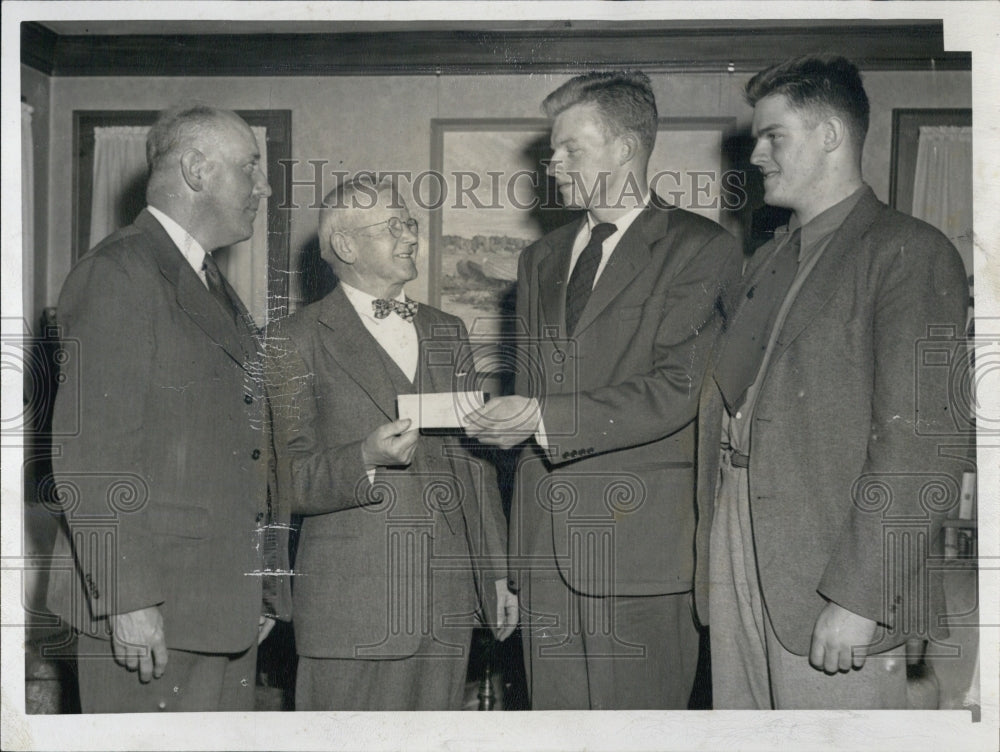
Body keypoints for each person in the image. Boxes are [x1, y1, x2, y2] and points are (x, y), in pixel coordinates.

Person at [696, 55, 970, 709]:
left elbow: (925, 445)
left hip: (834, 566)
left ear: (829, 136)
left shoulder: (910, 251)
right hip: (743, 546)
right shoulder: (768, 259)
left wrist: (859, 596)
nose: (756, 154)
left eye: (773, 136)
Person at [465, 70, 741, 709]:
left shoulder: (702, 249)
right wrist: (513, 559)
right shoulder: (543, 259)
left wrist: (540, 416)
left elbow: (676, 388)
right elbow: (532, 397)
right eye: (553, 149)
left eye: (571, 149)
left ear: (625, 148)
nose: (553, 163)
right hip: (545, 556)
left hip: (638, 554)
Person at [45, 104, 290, 712]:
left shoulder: (202, 276)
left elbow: (243, 446)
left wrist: (260, 586)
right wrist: (128, 600)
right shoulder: (119, 272)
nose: (264, 187)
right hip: (148, 612)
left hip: (215, 607)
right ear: (197, 169)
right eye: (251, 168)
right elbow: (91, 454)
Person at [265, 177, 516, 711]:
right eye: (393, 226)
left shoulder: (448, 331)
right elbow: (279, 480)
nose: (409, 237)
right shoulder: (293, 339)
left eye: (410, 224)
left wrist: (496, 575)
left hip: (446, 606)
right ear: (346, 246)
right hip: (353, 610)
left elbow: (477, 468)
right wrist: (363, 459)